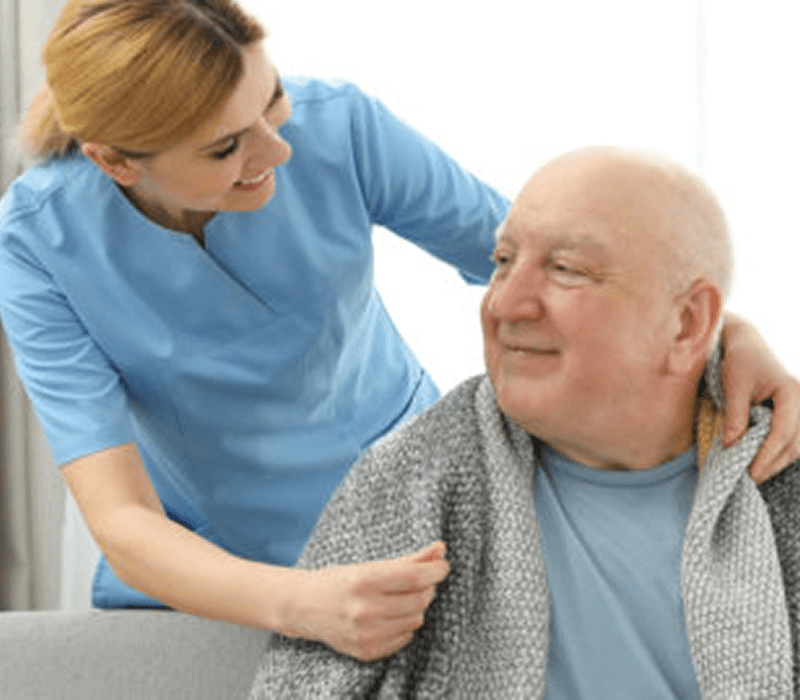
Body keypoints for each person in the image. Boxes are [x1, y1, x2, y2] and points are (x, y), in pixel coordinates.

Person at [0, 0, 795, 662]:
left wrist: (720, 330)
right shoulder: (40, 245)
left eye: (271, 102)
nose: (277, 148)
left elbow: (532, 258)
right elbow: (123, 518)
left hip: (412, 512)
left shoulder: (338, 126)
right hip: (217, 568)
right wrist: (300, 603)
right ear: (116, 162)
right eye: (224, 147)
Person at [249, 147, 800, 698]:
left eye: (565, 270)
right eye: (502, 261)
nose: (505, 304)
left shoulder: (782, 485)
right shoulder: (408, 480)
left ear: (686, 324)